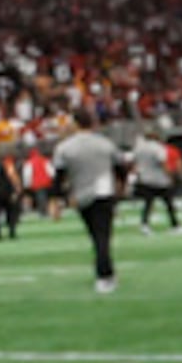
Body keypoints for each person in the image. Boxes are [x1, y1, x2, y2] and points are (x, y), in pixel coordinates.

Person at [51, 118, 125, 297]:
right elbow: (120, 166)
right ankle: (104, 273)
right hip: (104, 191)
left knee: (95, 234)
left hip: (81, 194)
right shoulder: (104, 143)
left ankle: (105, 269)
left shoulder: (64, 147)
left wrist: (57, 200)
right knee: (103, 235)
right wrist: (120, 187)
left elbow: (59, 177)